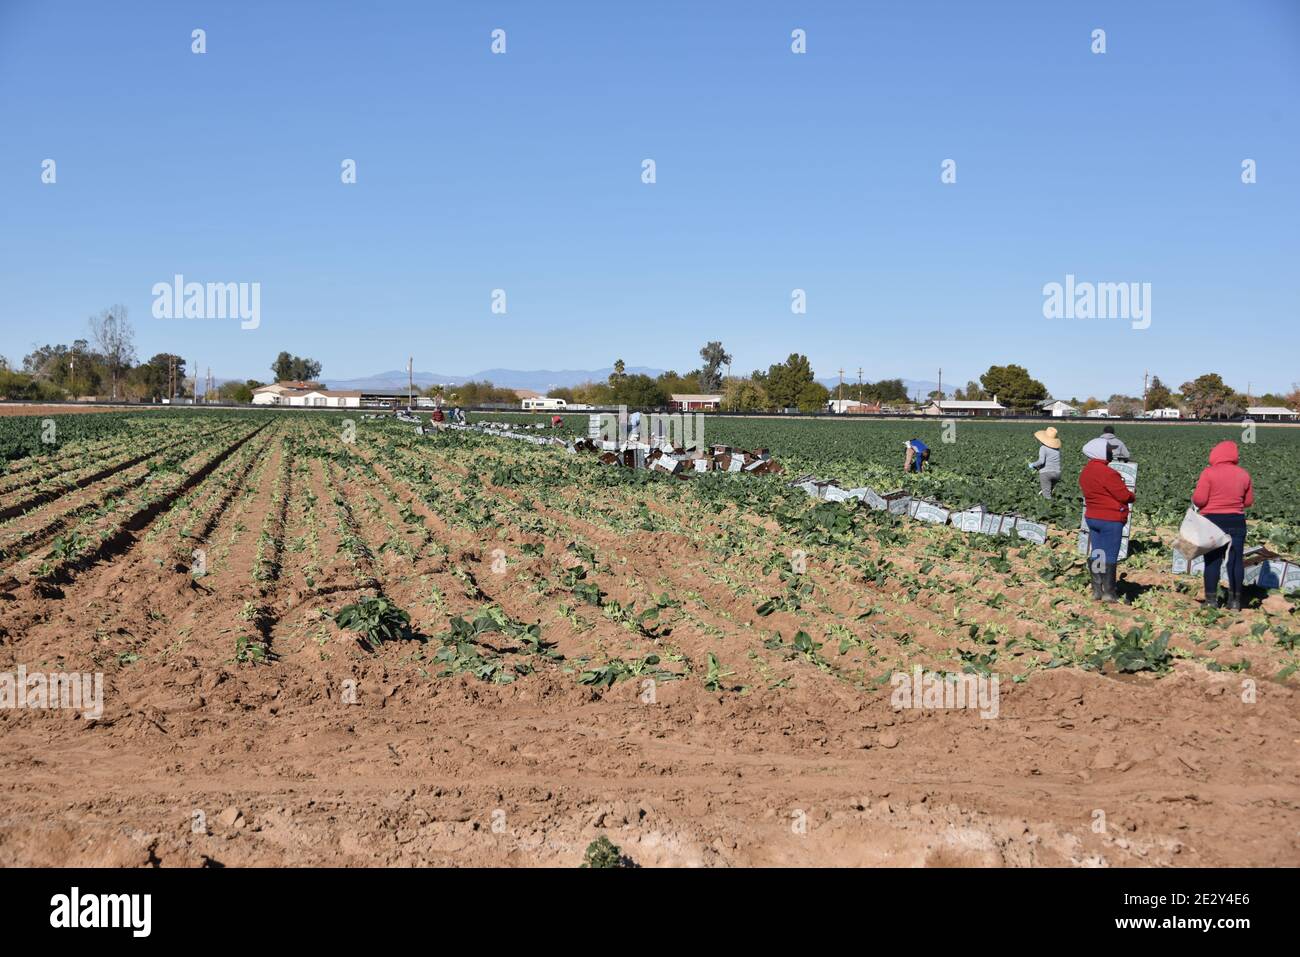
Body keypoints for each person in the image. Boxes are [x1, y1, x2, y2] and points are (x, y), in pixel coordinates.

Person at [1192, 440, 1254, 610]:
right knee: (1235, 561)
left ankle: (1211, 601)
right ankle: (1234, 602)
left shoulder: (1209, 473)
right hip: (1236, 521)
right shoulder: (1243, 474)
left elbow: (1200, 499)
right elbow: (1248, 502)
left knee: (1212, 561)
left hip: (1212, 522)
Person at [1079, 437, 1134, 602]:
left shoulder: (1086, 471)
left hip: (1092, 517)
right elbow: (1124, 495)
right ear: (1100, 452)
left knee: (1097, 552)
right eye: (1109, 450)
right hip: (1110, 519)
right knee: (1110, 555)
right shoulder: (1108, 473)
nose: (1112, 452)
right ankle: (1109, 592)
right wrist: (1132, 495)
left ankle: (1097, 589)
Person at [1027, 426, 1062, 498]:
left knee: (1047, 495)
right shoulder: (1057, 450)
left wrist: (1032, 465)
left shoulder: (1043, 448)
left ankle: (1049, 506)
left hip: (1046, 473)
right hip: (1057, 474)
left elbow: (1041, 461)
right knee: (1050, 491)